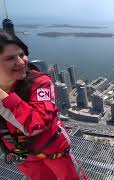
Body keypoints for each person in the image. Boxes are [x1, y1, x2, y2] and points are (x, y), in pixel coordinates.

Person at [0, 31, 87, 180]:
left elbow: (38, 123)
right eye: (10, 58)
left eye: (22, 55)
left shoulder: (40, 83)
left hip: (53, 150)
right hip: (21, 153)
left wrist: (4, 98)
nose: (21, 62)